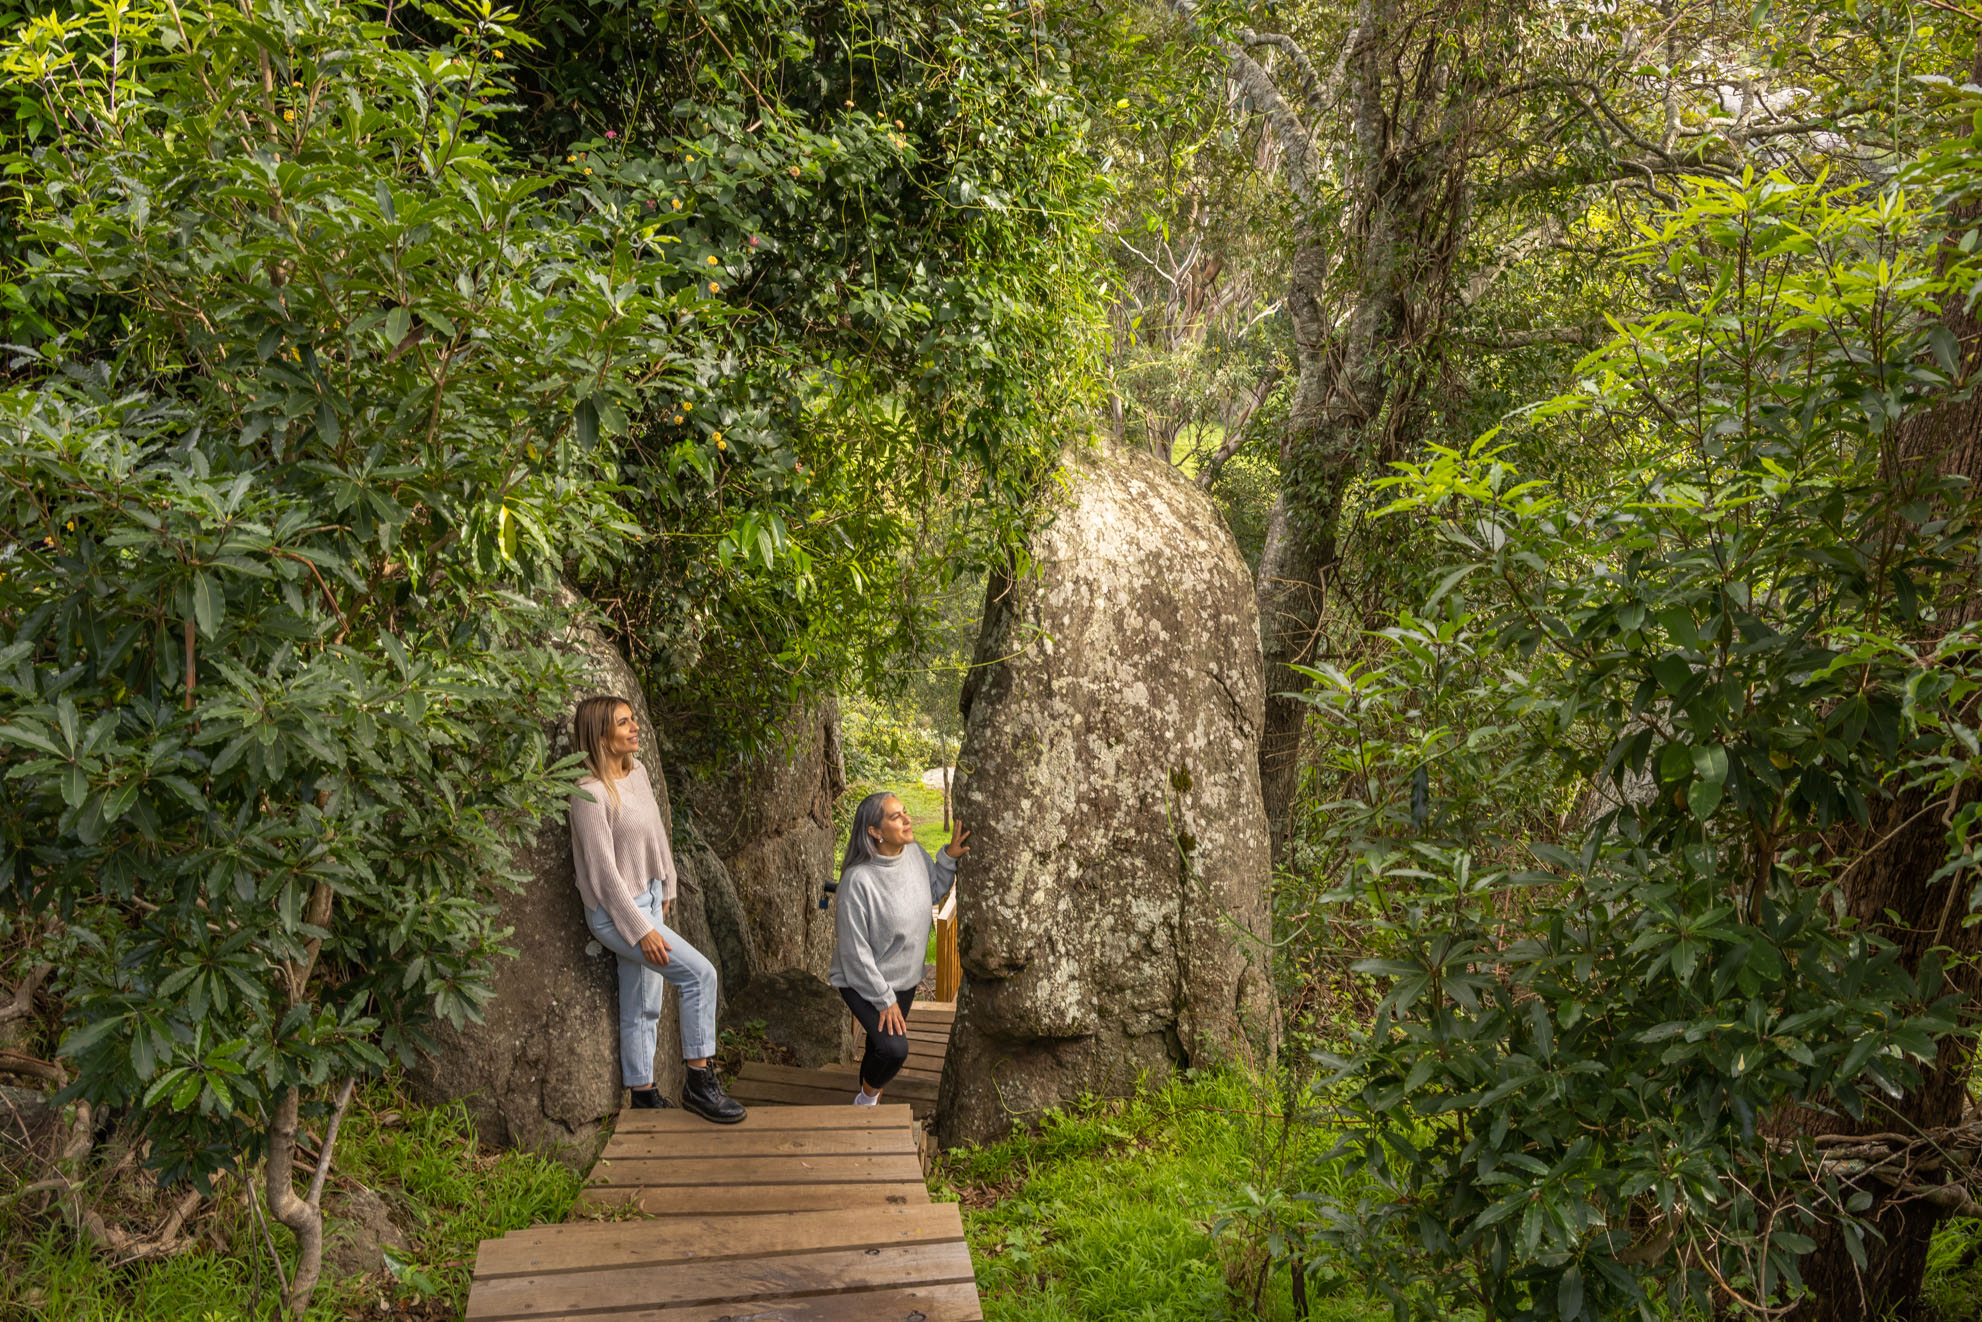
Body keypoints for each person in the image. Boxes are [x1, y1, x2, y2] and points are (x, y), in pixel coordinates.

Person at [568, 695, 745, 1124]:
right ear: (602, 736)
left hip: (648, 900)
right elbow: (605, 875)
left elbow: (656, 833)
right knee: (701, 975)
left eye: (633, 720)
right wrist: (641, 929)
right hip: (617, 916)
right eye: (624, 723)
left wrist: (667, 880)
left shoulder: (638, 773)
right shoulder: (588, 795)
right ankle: (699, 1083)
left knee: (643, 1002)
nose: (635, 728)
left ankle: (644, 1095)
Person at [829, 791, 968, 1105]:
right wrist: (884, 999)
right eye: (896, 817)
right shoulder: (858, 881)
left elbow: (932, 890)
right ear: (875, 832)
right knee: (894, 1049)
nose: (907, 819)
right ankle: (865, 1101)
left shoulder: (916, 853)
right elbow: (854, 953)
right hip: (861, 981)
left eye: (904, 812)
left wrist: (948, 857)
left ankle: (867, 1098)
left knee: (879, 1048)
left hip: (905, 978)